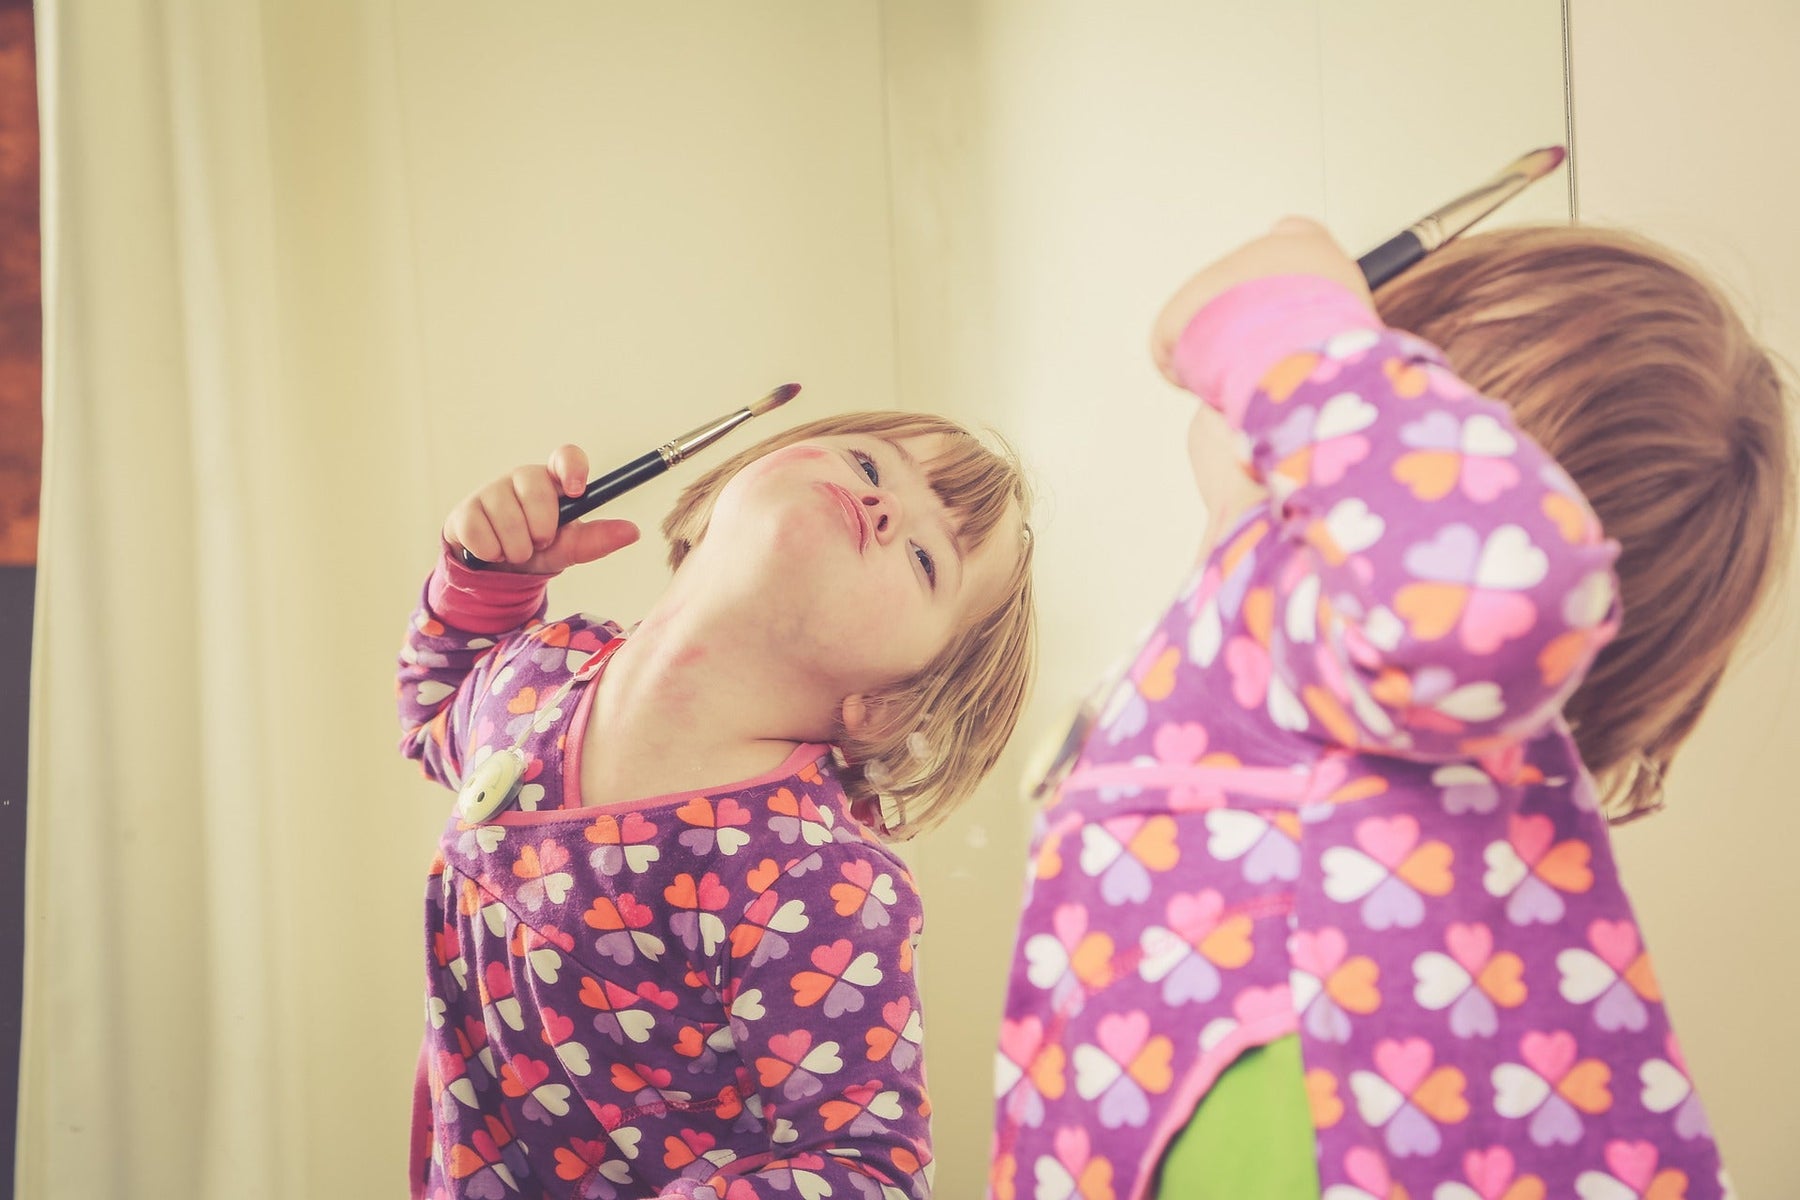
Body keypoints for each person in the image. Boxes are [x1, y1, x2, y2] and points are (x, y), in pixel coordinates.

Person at [990, 218, 1791, 1199]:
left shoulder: (1323, 659)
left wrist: (1285, 330)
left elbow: (1487, 584)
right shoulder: (1268, 683)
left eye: (1376, 355)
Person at [397, 409, 1035, 1199]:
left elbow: (868, 1173)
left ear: (888, 706)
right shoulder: (534, 671)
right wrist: (484, 577)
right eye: (871, 467)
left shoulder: (816, 882)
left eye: (925, 558)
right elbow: (433, 713)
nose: (882, 506)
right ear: (731, 485)